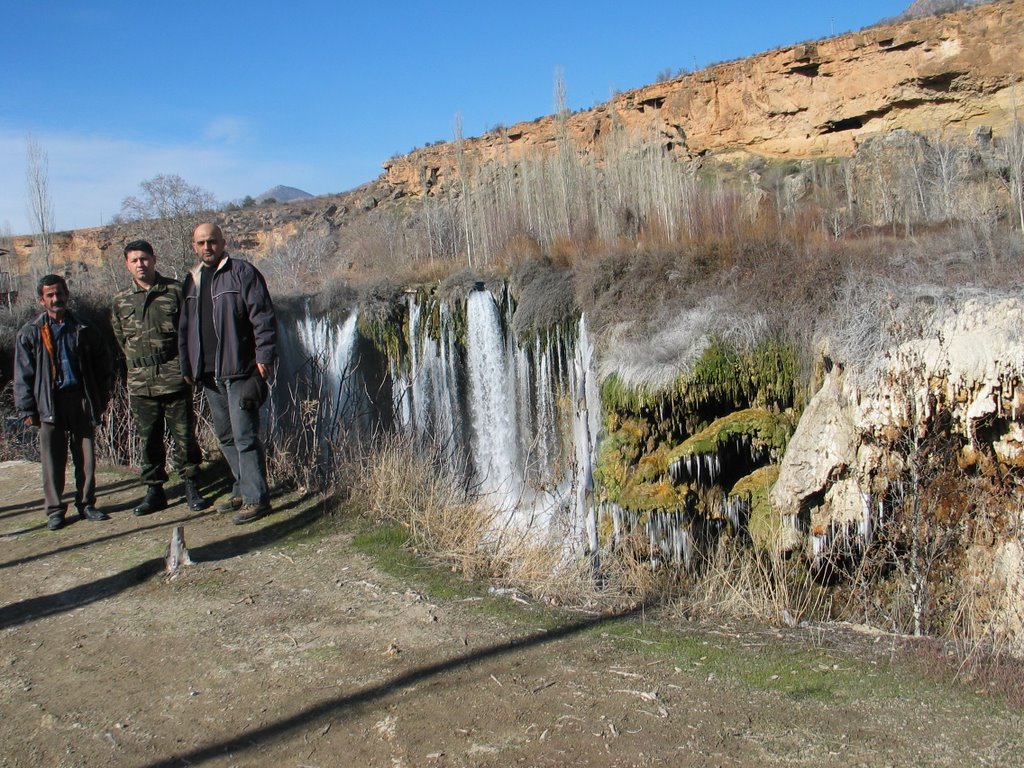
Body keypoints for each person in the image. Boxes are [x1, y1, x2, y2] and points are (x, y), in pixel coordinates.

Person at [179, 222, 276, 525]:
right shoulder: (192, 280)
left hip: (240, 370)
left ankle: (256, 498)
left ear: (222, 242)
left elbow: (262, 317)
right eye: (201, 243)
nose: (207, 247)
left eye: (212, 241)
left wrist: (264, 358)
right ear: (194, 246)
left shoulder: (241, 273)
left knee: (245, 436)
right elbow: (183, 327)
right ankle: (241, 486)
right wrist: (187, 365)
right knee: (225, 437)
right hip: (208, 374)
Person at [112, 239, 210, 516]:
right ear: (127, 265)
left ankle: (192, 485)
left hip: (174, 376)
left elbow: (191, 332)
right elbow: (121, 338)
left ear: (154, 259)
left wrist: (189, 368)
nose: (140, 264)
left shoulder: (175, 292)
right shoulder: (120, 301)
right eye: (134, 260)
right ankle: (154, 491)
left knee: (184, 437)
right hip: (141, 382)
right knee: (148, 440)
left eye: (144, 259)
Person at [14, 274, 111, 530]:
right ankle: (55, 510)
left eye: (59, 293)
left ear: (67, 294)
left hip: (80, 399)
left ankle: (87, 504)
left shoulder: (83, 328)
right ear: (41, 300)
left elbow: (104, 363)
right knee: (52, 459)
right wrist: (27, 408)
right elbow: (23, 374)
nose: (56, 299)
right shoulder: (31, 333)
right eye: (50, 295)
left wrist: (100, 397)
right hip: (50, 402)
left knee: (86, 457)